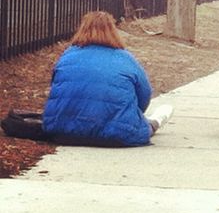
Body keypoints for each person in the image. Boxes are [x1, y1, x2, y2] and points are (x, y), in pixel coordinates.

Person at [42, 11, 173, 147]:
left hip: (63, 131)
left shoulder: (68, 55)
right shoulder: (125, 58)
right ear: (113, 31)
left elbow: (56, 88)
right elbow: (144, 94)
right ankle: (157, 120)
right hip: (117, 135)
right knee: (150, 122)